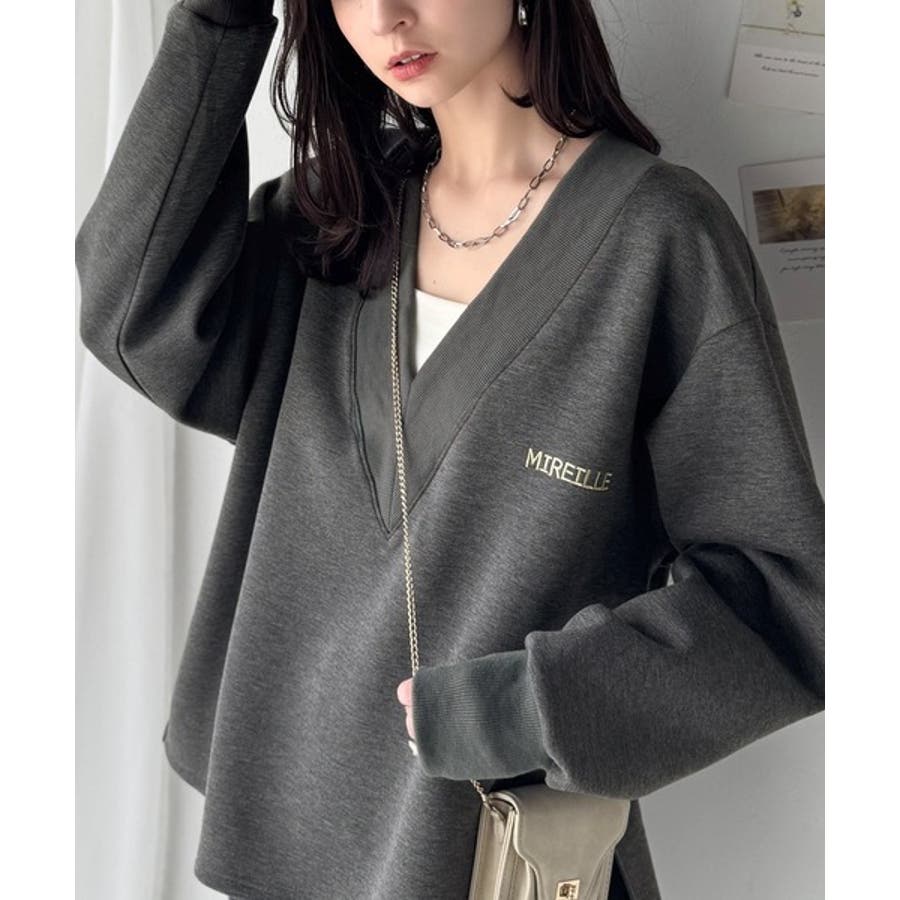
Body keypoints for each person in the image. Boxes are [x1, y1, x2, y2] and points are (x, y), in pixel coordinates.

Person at [75, 1, 825, 898]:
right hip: (281, 843)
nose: (386, 16)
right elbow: (132, 317)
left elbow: (785, 596)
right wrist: (219, 18)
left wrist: (531, 706)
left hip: (499, 857)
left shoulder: (657, 238)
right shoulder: (331, 222)